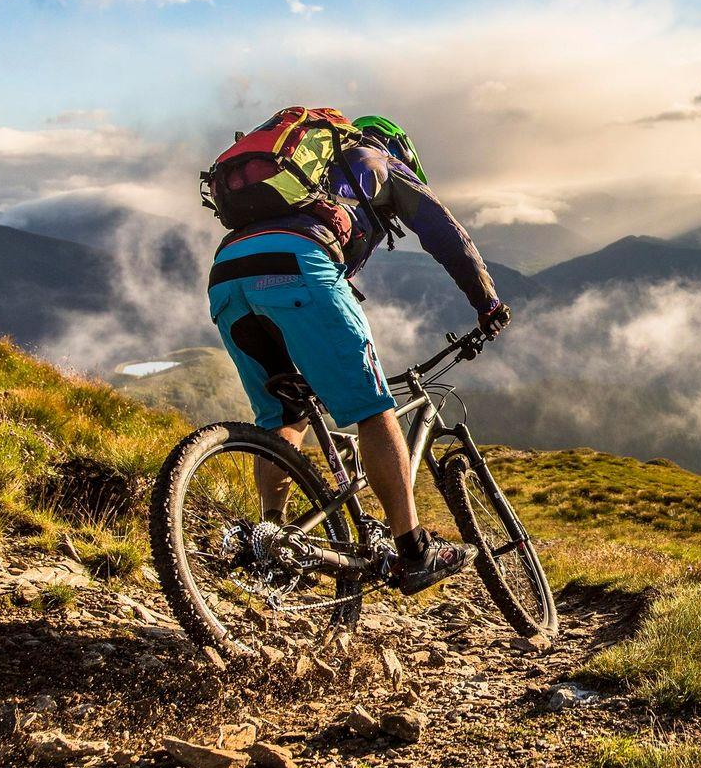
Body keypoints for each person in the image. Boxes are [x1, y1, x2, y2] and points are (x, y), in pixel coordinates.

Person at [205, 113, 511, 594]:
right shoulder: (377, 160)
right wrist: (487, 302)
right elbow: (445, 232)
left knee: (283, 416)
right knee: (372, 407)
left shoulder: (297, 178)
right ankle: (414, 551)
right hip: (299, 265)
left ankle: (272, 540)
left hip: (226, 277)